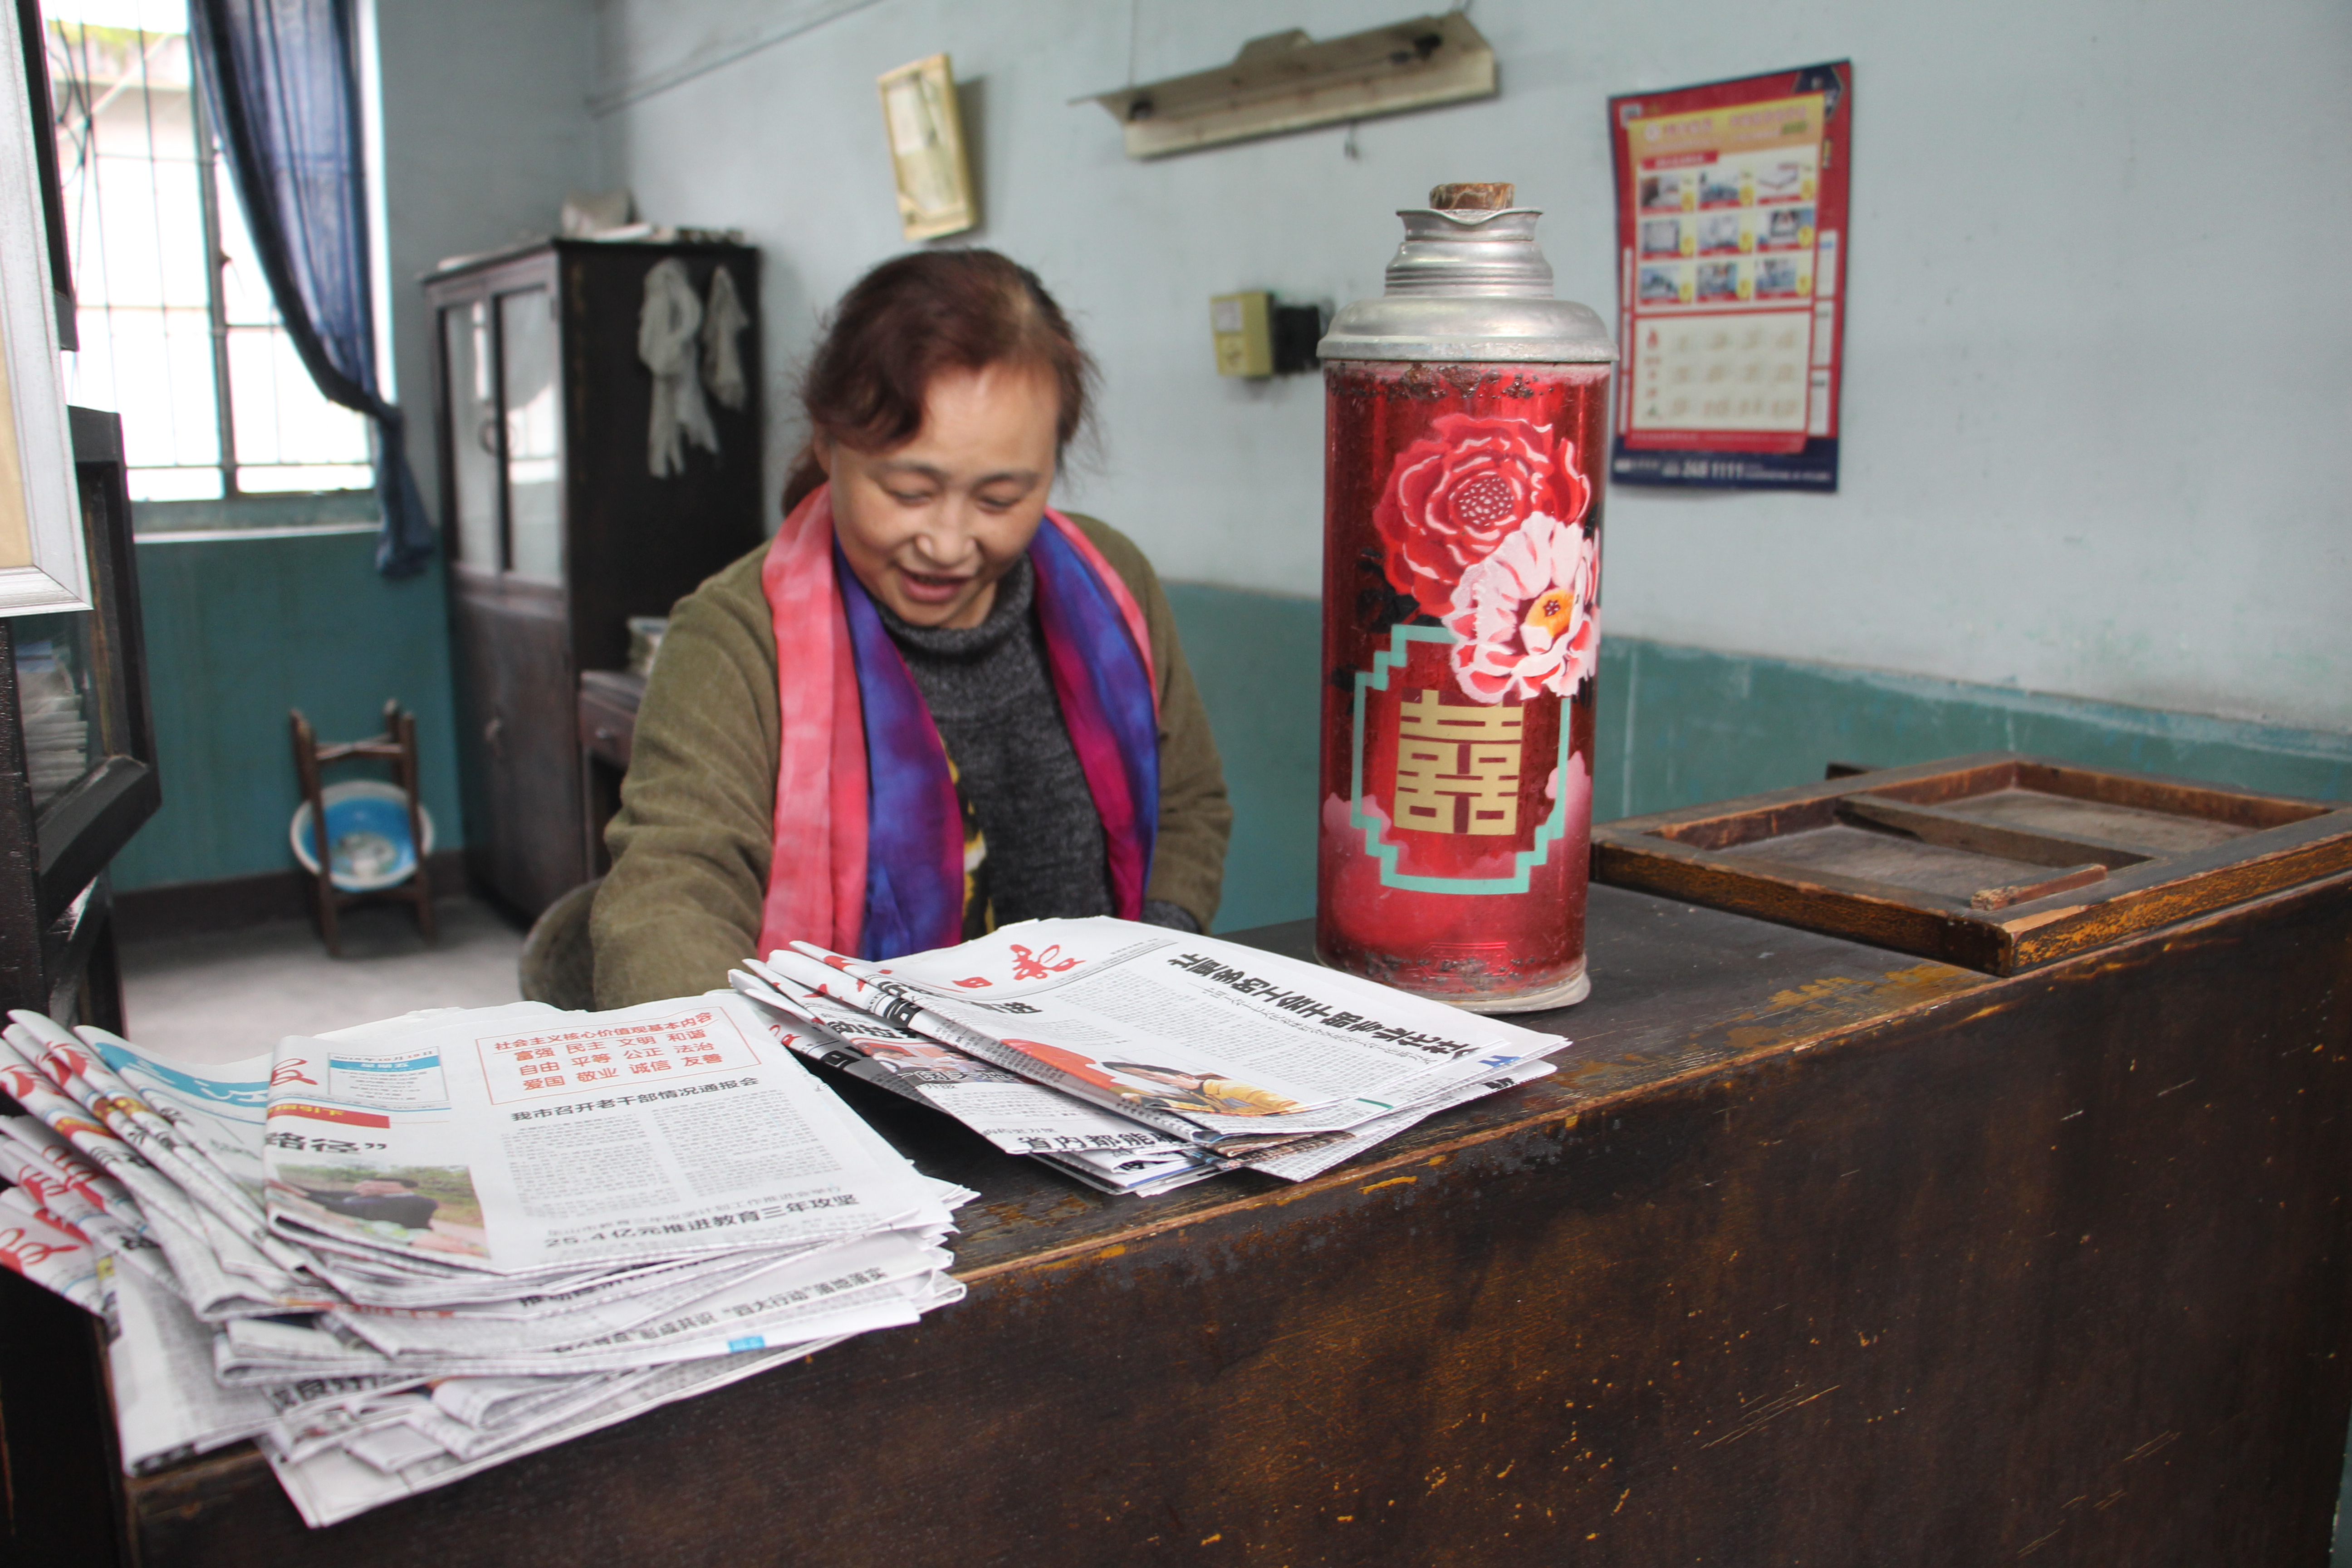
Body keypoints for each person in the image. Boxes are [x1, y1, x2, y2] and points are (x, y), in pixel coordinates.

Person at [593, 251, 1231, 1006]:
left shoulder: (1110, 582)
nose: (948, 543)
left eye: (999, 500)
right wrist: (726, 1075)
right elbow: (672, 893)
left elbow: (1189, 804)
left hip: (1089, 1047)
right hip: (845, 1080)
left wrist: (1143, 964)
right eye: (908, 491)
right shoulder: (737, 641)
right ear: (830, 446)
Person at [1100, 1063, 1306, 1118]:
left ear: (1185, 1076)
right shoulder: (1201, 1093)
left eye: (1151, 1076)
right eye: (1141, 1078)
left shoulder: (1227, 1087)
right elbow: (1214, 1111)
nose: (1149, 1079)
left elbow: (1289, 1107)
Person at [291, 1176, 439, 1230]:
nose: (380, 1188)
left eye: (387, 1187)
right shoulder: (375, 1195)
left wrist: (304, 1195)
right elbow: (332, 1195)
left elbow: (347, 1208)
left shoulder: (416, 1202)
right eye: (379, 1185)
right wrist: (293, 1187)